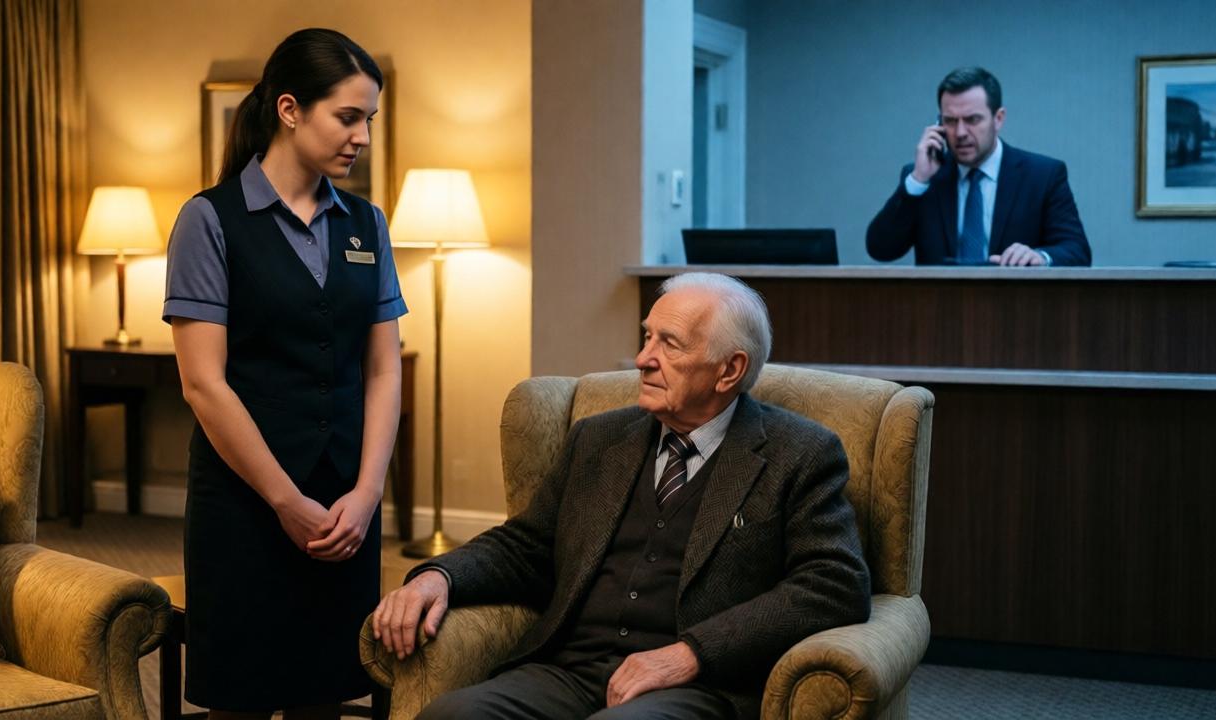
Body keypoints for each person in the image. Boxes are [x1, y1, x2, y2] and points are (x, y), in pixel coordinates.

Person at [373, 272, 870, 720]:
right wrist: (438, 577)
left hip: (694, 686)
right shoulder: (598, 439)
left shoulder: (799, 453)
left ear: (729, 370)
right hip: (568, 670)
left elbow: (834, 584)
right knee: (453, 716)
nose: (642, 359)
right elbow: (526, 546)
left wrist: (691, 653)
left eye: (668, 344)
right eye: (646, 336)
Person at [163, 28, 406, 719]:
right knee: (241, 697)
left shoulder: (367, 225)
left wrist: (366, 492)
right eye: (348, 117)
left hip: (343, 507)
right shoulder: (209, 221)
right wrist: (284, 500)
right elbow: (204, 384)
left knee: (323, 696)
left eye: (370, 121)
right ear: (291, 109)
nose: (361, 136)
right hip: (246, 504)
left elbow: (383, 369)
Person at [866, 66, 1091, 266]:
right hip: (938, 310)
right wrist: (917, 181)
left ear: (998, 119)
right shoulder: (924, 178)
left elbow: (1077, 251)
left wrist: (1040, 257)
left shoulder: (1043, 175)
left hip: (1016, 308)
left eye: (972, 120)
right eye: (951, 121)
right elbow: (880, 249)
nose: (960, 133)